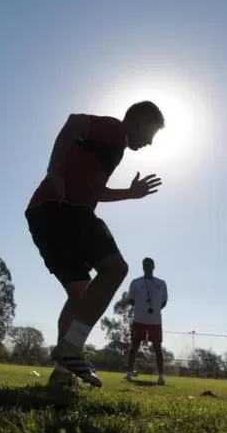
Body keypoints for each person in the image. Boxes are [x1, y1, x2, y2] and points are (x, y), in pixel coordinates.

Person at [26, 104, 164, 388]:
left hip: (48, 212)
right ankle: (71, 348)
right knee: (115, 269)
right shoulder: (114, 131)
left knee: (79, 294)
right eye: (151, 132)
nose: (150, 142)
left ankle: (62, 372)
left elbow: (95, 191)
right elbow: (74, 121)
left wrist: (130, 193)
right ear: (139, 120)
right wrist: (53, 171)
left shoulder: (112, 148)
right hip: (65, 210)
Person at [123, 257, 169, 384]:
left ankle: (161, 376)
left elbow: (164, 301)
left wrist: (154, 309)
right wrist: (142, 308)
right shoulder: (135, 283)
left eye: (149, 265)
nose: (147, 267)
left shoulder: (161, 283)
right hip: (139, 319)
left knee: (158, 348)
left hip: (155, 321)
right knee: (134, 346)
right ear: (142, 267)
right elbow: (131, 300)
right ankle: (128, 373)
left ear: (154, 266)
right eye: (145, 265)